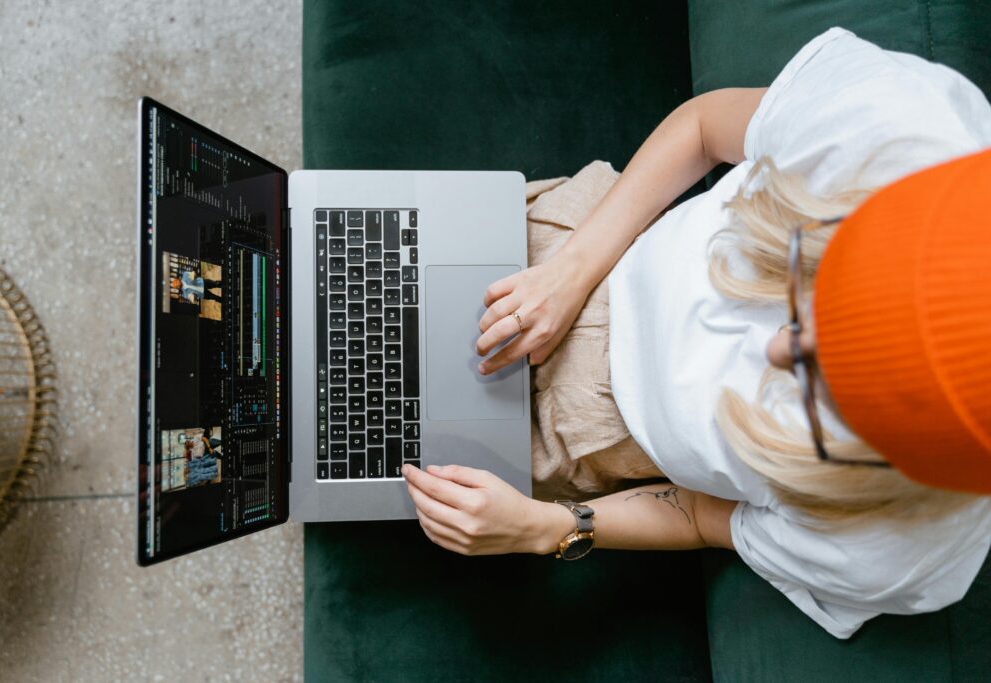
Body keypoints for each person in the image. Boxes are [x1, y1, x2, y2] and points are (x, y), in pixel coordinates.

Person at [401, 27, 991, 639]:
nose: (776, 348)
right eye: (814, 296)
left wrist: (546, 528)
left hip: (583, 435)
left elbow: (706, 517)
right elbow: (705, 128)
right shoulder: (905, 128)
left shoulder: (903, 553)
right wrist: (570, 272)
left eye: (827, 394)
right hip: (584, 249)